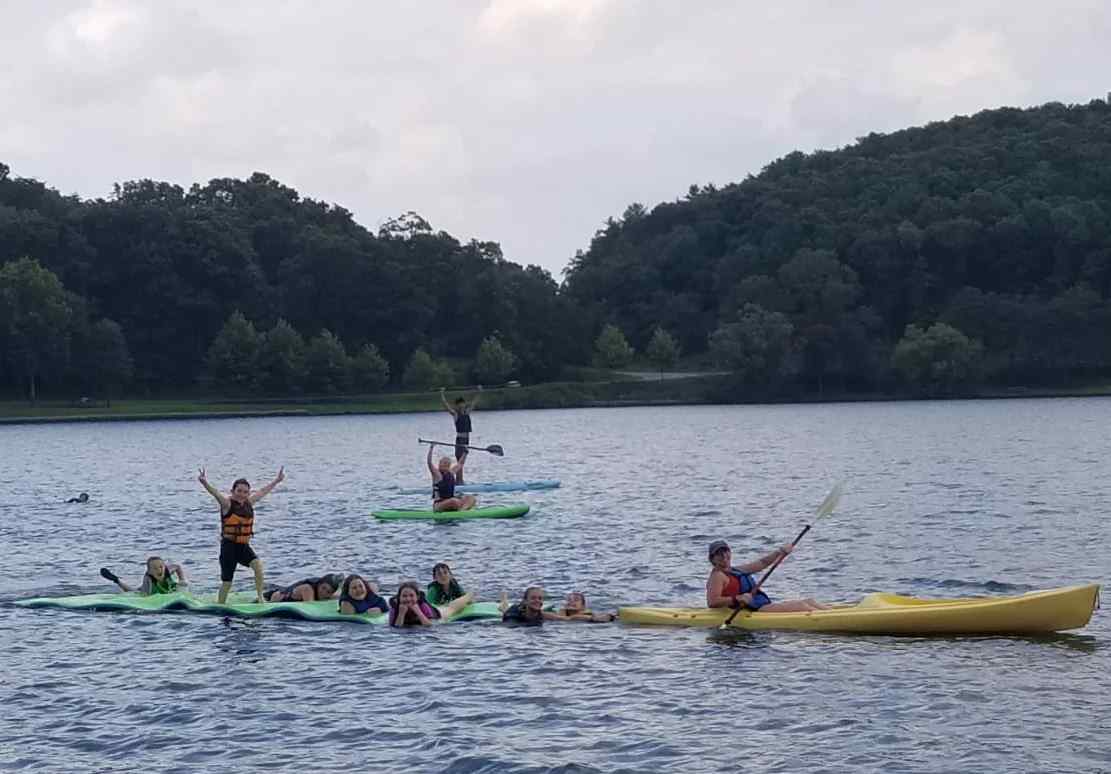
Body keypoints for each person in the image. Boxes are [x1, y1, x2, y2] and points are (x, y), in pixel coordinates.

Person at [197, 466, 285, 604]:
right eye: (239, 491)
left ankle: (260, 598)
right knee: (227, 582)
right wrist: (204, 482)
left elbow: (263, 491)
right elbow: (215, 494)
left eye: (245, 492)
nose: (242, 494)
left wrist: (277, 480)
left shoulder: (249, 503)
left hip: (243, 546)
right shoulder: (227, 504)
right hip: (228, 547)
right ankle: (221, 604)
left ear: (248, 493)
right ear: (233, 491)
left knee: (258, 567)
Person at [705, 540, 829, 613]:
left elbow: (762, 563)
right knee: (801, 606)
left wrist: (779, 552)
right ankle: (828, 619)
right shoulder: (717, 576)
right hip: (747, 611)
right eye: (719, 554)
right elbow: (712, 602)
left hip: (756, 606)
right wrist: (738, 598)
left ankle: (832, 613)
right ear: (712, 559)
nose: (724, 555)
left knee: (809, 601)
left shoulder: (735, 570)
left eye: (726, 551)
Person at [389, 581, 473, 627]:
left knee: (451, 608)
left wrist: (418, 612)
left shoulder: (422, 605)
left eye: (411, 596)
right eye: (404, 596)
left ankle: (469, 596)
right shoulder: (395, 608)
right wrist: (401, 614)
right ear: (399, 598)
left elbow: (430, 625)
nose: (408, 599)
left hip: (439, 614)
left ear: (417, 597)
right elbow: (397, 627)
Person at [441, 385, 481, 481]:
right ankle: (459, 481)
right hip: (460, 441)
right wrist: (442, 394)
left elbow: (474, 403)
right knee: (460, 462)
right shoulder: (455, 414)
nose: (461, 405)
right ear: (457, 406)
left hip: (467, 440)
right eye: (459, 404)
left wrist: (479, 391)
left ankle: (460, 481)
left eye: (462, 404)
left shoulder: (467, 413)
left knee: (462, 462)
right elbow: (446, 405)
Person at [99, 557, 188, 595]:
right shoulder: (148, 578)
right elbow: (146, 596)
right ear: (149, 571)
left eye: (161, 567)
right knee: (134, 592)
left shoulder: (167, 571)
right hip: (150, 588)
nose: (159, 570)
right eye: (155, 568)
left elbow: (177, 567)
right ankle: (116, 580)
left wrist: (182, 579)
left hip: (166, 587)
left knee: (182, 585)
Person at [427, 445, 477, 512]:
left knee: (471, 498)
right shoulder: (437, 475)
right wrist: (431, 448)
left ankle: (462, 510)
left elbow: (461, 463)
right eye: (443, 463)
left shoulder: (451, 472)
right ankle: (461, 509)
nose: (444, 465)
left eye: (446, 463)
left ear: (449, 465)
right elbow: (429, 463)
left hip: (452, 502)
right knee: (454, 501)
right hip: (439, 505)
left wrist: (465, 452)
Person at [499, 587, 564, 625]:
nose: (537, 601)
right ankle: (504, 601)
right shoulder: (513, 616)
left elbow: (566, 619)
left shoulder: (541, 614)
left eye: (540, 598)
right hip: (514, 611)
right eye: (533, 598)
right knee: (504, 609)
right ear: (525, 601)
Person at [265, 573, 344, 603]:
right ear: (319, 585)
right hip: (271, 598)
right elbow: (311, 607)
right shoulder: (308, 589)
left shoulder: (328, 594)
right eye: (323, 588)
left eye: (328, 592)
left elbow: (338, 596)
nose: (324, 592)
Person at [550, 591, 618, 623]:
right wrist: (562, 612)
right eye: (569, 600)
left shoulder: (588, 615)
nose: (571, 602)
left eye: (576, 600)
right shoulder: (562, 612)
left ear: (583, 606)